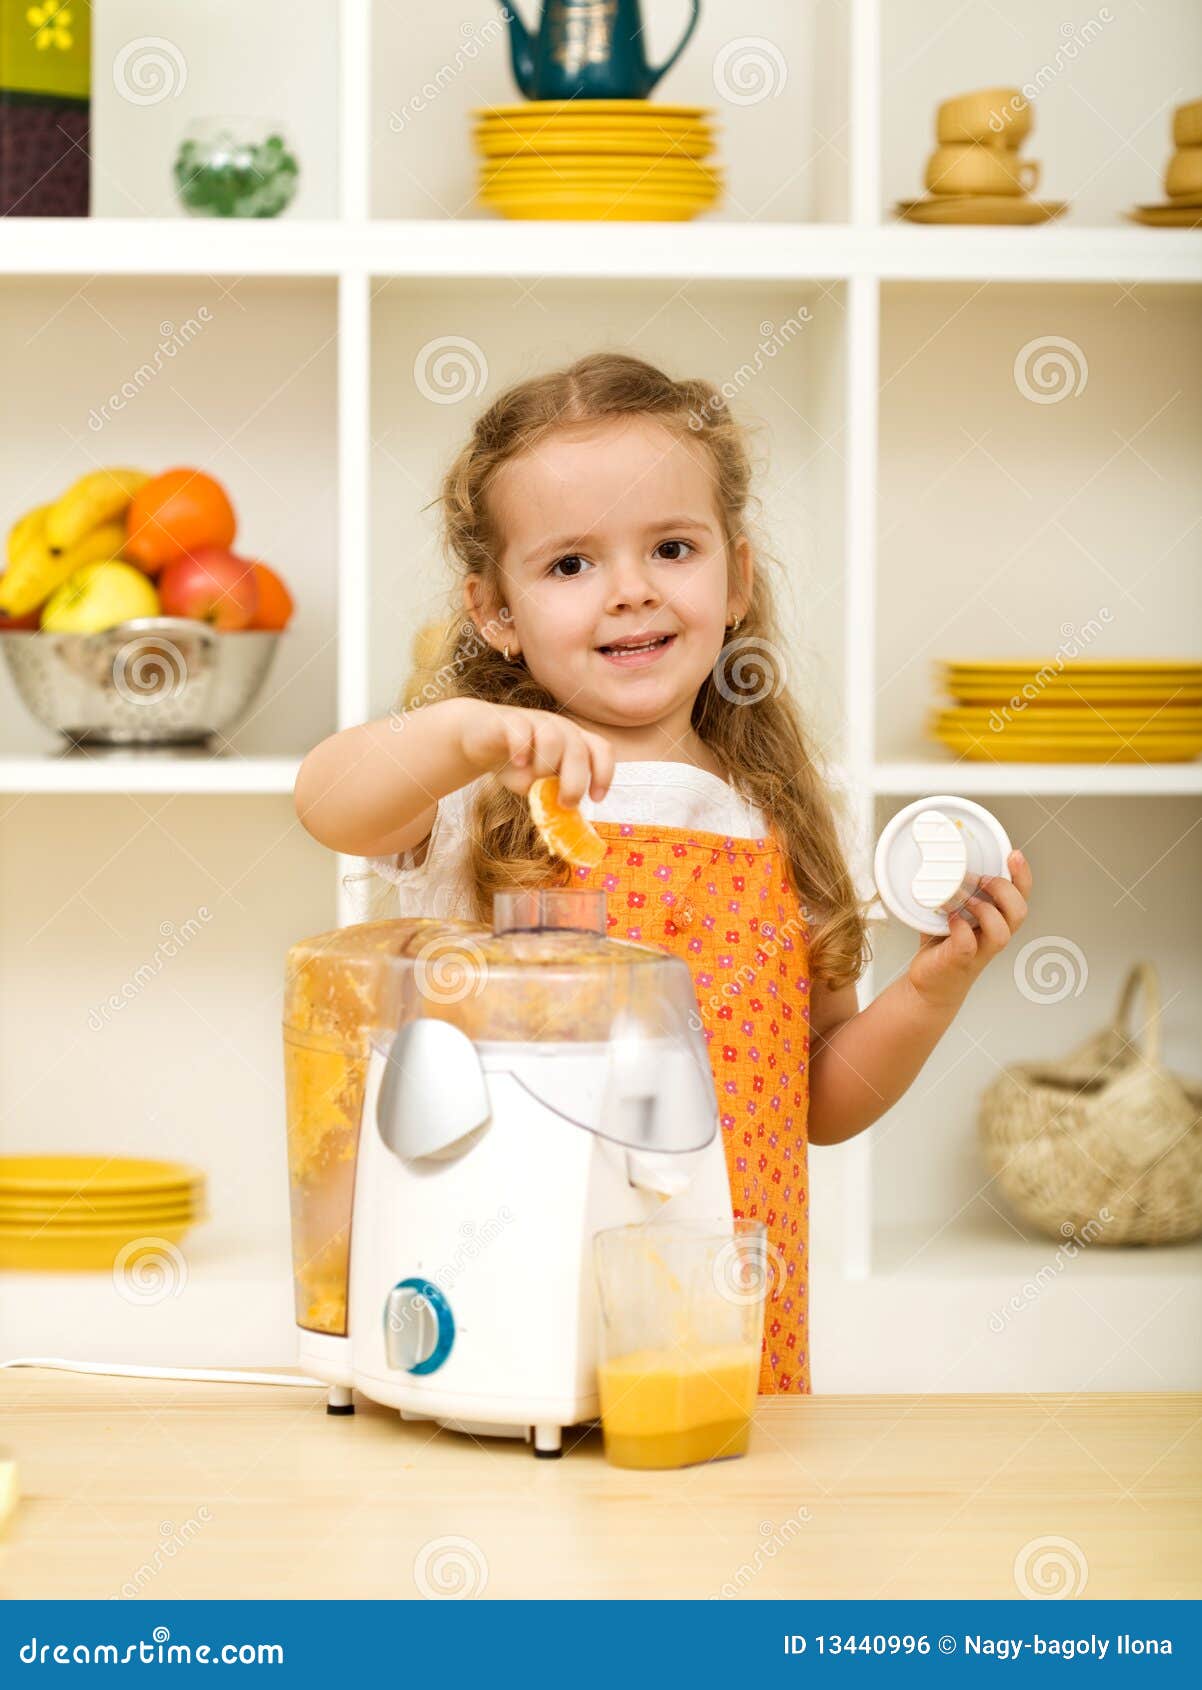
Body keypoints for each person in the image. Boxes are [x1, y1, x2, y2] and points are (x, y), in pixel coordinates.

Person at [295, 352, 1032, 1394]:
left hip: (720, 1325)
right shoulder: (479, 776)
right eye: (568, 566)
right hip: (508, 1291)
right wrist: (459, 731)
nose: (629, 591)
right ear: (494, 610)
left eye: (670, 548)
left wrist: (930, 986)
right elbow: (327, 801)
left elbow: (817, 1098)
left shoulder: (770, 814)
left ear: (733, 579)